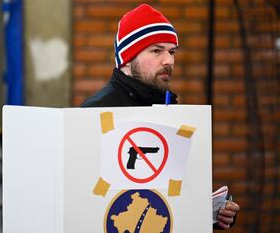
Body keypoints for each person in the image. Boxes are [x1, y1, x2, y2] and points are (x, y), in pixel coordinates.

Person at [81, 4, 239, 230]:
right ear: (127, 58)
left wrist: (212, 213)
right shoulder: (96, 112)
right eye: (156, 51)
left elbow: (169, 193)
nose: (169, 61)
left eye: (172, 51)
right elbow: (87, 201)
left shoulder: (168, 109)